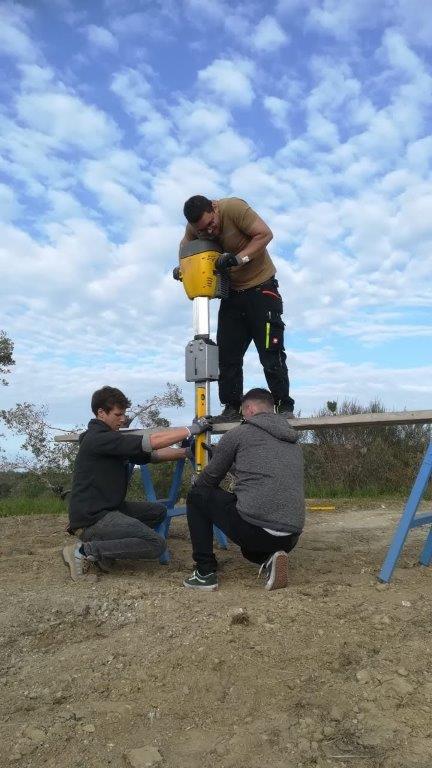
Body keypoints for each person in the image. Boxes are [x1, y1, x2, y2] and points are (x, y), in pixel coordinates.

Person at [63, 385, 210, 581]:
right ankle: (84, 550)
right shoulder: (98, 438)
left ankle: (105, 550)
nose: (123, 419)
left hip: (110, 509)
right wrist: (192, 430)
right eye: (118, 414)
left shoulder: (111, 439)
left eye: (123, 414)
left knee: (158, 512)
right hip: (93, 518)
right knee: (156, 544)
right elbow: (151, 441)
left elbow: (152, 455)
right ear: (101, 413)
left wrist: (185, 452)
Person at [179, 195, 295, 423]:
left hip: (262, 289)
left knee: (271, 353)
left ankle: (283, 405)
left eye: (211, 224)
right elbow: (185, 248)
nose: (209, 232)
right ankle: (232, 407)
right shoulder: (195, 228)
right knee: (227, 355)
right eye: (202, 230)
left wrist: (239, 258)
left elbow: (265, 234)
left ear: (214, 207)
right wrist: (182, 268)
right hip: (232, 295)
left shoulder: (234, 208)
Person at [183, 388, 304, 592]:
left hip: (255, 531)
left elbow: (207, 482)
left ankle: (204, 573)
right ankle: (271, 558)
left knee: (196, 495)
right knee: (248, 552)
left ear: (249, 409)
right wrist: (225, 459)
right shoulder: (293, 441)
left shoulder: (239, 433)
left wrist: (213, 463)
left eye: (242, 412)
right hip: (290, 538)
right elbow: (259, 474)